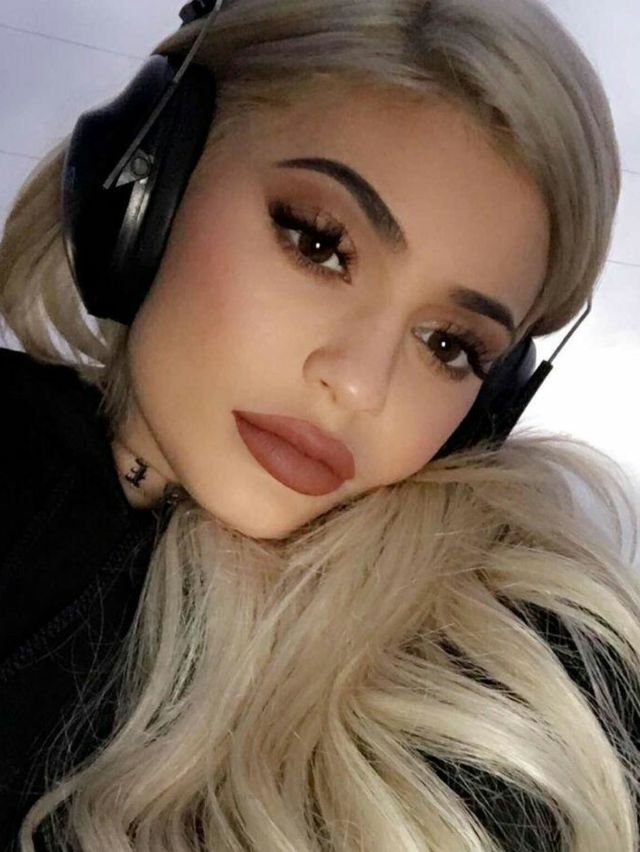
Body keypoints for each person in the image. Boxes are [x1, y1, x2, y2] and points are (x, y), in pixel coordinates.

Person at [1, 0, 639, 848]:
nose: (360, 386)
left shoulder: (512, 680)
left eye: (448, 345)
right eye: (318, 244)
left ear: (488, 410)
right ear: (151, 182)